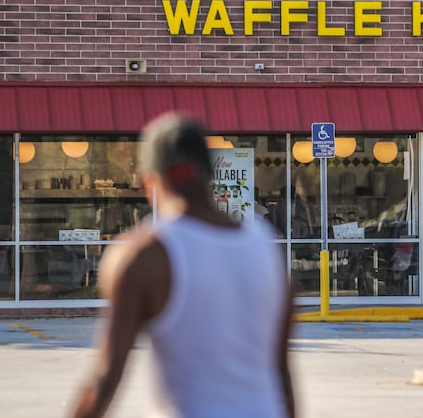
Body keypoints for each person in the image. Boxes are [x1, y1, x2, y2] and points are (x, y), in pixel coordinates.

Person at [72, 112, 294, 418]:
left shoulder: (144, 255)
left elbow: (106, 379)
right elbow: (281, 375)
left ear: (147, 181)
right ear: (210, 173)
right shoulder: (267, 248)